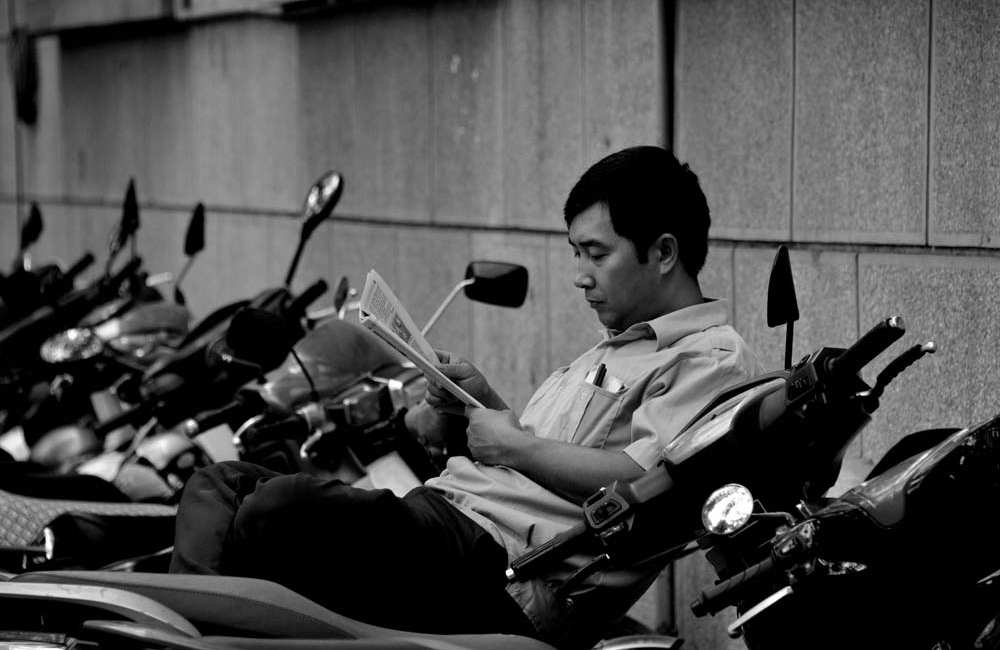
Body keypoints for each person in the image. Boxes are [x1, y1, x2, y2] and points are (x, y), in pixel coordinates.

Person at [168, 145, 762, 648]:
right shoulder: (616, 345)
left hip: (498, 565)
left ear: (663, 252)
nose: (580, 275)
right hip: (450, 519)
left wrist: (511, 445)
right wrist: (480, 403)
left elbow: (649, 485)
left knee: (279, 510)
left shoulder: (707, 358)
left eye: (597, 254)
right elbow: (536, 454)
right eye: (576, 253)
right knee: (219, 483)